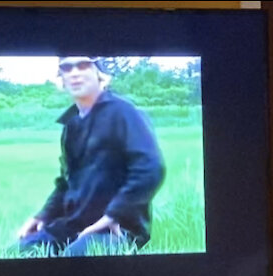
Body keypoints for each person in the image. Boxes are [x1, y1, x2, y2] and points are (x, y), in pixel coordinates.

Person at [16, 56, 165, 257]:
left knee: (73, 259)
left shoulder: (123, 112)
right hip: (73, 225)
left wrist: (114, 215)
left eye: (83, 65)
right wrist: (43, 215)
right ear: (61, 77)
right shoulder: (72, 124)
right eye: (67, 68)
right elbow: (66, 183)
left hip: (116, 229)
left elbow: (150, 168)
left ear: (99, 73)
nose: (74, 73)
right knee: (18, 252)